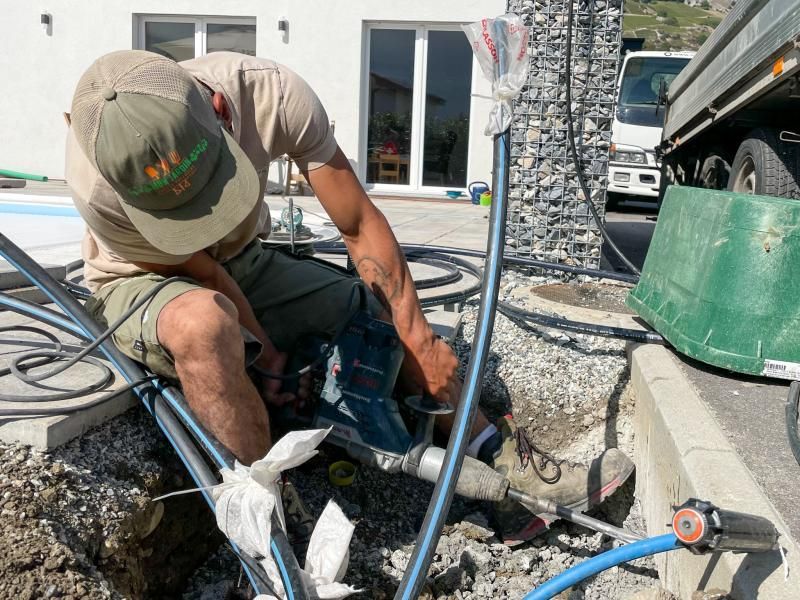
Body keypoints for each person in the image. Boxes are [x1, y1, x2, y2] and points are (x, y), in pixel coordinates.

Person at [65, 50, 633, 546]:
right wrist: (264, 355)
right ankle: (267, 519)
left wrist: (420, 341)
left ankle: (495, 454)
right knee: (206, 327)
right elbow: (204, 273)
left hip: (244, 257)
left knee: (377, 314)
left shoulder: (271, 95)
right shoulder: (100, 184)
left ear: (218, 112)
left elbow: (358, 223)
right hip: (146, 279)